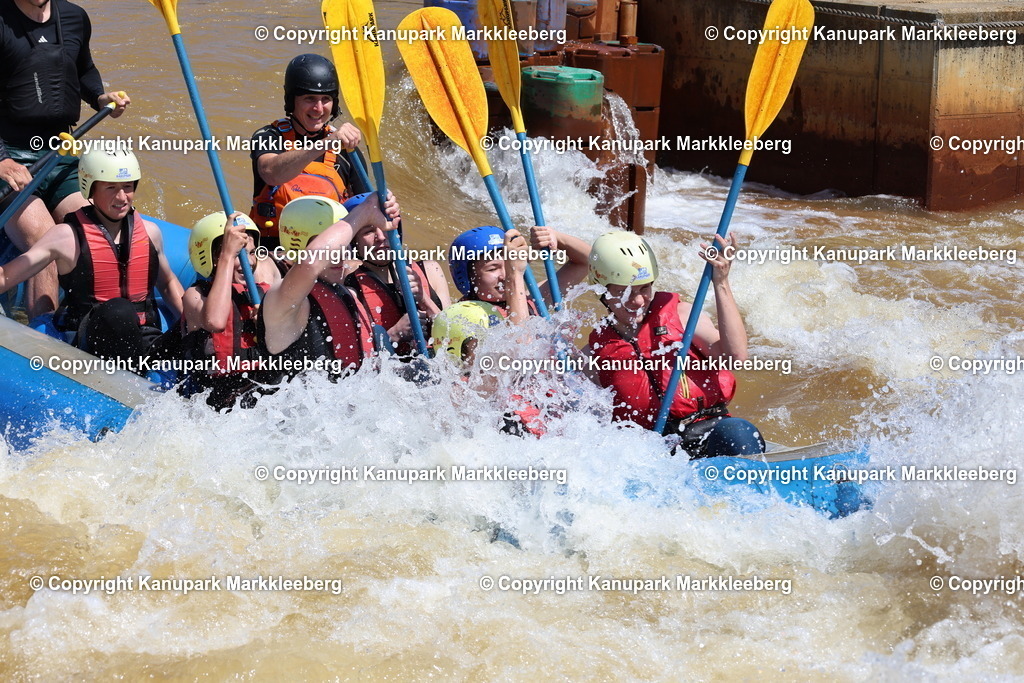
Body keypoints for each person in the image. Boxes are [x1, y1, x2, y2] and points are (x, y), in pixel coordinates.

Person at [0, 0, 130, 319]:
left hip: (59, 152)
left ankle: (98, 324)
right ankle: (43, 334)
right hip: (9, 155)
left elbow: (83, 68)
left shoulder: (74, 17)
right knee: (47, 238)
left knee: (98, 228)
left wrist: (101, 97)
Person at [584, 230, 765, 458]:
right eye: (624, 292)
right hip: (652, 452)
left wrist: (721, 281)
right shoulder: (596, 351)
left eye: (644, 288)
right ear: (602, 291)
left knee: (740, 432)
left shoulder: (682, 315)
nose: (638, 300)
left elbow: (735, 358)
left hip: (708, 433)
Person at [0, 146, 184, 365]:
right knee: (120, 312)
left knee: (208, 328)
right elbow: (7, 276)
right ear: (90, 189)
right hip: (90, 336)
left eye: (128, 187)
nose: (122, 197)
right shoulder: (66, 237)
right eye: (111, 188)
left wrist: (192, 323)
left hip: (144, 336)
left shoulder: (150, 232)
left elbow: (169, 282)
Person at [257, 194, 398, 381]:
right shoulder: (282, 300)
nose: (339, 255)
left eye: (343, 245)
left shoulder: (349, 295)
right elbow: (309, 263)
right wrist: (365, 211)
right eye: (330, 248)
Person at [249, 53, 370, 248]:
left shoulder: (346, 150)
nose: (319, 108)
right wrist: (325, 144)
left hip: (328, 256)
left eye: (326, 99)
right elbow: (271, 173)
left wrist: (384, 203)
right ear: (292, 100)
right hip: (274, 252)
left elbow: (366, 209)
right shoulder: (268, 136)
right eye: (310, 98)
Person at [181, 211, 282, 410]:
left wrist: (267, 325)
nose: (250, 262)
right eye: (239, 255)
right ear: (214, 258)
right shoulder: (195, 295)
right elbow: (216, 322)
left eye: (252, 253)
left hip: (263, 393)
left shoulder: (263, 296)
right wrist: (228, 254)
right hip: (218, 399)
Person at [343, 192, 451, 356]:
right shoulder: (349, 287)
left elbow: (454, 337)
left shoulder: (431, 270)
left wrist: (424, 300)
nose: (380, 237)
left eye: (385, 226)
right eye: (368, 231)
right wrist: (394, 334)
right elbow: (356, 359)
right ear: (354, 241)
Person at [447, 224, 591, 320]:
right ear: (468, 277)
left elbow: (587, 262)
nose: (504, 275)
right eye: (493, 268)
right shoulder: (464, 316)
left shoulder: (532, 300)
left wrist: (555, 238)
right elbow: (520, 348)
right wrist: (514, 273)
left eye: (508, 265)